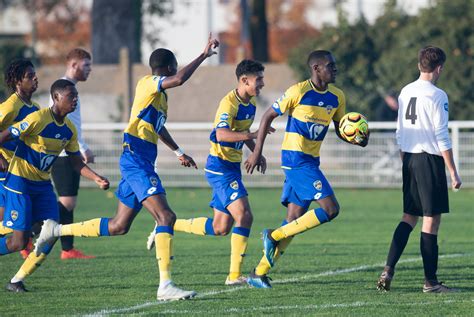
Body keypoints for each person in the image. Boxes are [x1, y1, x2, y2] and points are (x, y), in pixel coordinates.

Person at [35, 35, 220, 301]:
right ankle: (165, 285)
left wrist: (178, 151)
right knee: (166, 218)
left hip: (139, 160)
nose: (175, 72)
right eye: (174, 67)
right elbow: (179, 79)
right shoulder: (149, 83)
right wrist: (203, 55)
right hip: (135, 160)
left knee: (118, 226)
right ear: (168, 67)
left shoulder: (159, 98)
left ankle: (56, 230)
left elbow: (158, 126)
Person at [244, 50, 368, 288]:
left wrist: (357, 138)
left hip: (311, 161)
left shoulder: (337, 96)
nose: (335, 69)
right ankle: (273, 235)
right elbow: (267, 117)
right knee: (331, 209)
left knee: (293, 219)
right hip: (295, 159)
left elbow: (343, 128)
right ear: (316, 69)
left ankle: (258, 273)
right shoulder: (298, 91)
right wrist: (256, 151)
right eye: (330, 65)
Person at [146, 59, 271, 285]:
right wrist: (253, 137)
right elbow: (222, 134)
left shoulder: (250, 104)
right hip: (220, 167)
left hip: (232, 167)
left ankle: (165, 225)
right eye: (258, 79)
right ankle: (234, 276)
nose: (262, 83)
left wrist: (256, 152)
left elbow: (241, 132)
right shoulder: (229, 104)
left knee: (220, 227)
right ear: (244, 80)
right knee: (244, 215)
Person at [0, 79, 109, 293]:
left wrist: (96, 178)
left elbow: (76, 162)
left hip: (42, 185)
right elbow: (3, 136)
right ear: (57, 98)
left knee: (52, 231)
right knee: (18, 242)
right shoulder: (37, 119)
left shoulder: (69, 129)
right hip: (19, 182)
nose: (76, 100)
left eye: (77, 96)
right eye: (71, 96)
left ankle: (17, 280)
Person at [376, 46, 461, 293]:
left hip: (410, 158)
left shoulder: (405, 91)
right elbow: (440, 135)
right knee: (431, 220)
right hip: (429, 160)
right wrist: (453, 171)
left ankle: (388, 269)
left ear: (418, 66)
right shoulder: (437, 95)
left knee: (409, 216)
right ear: (440, 68)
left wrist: (405, 159)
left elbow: (400, 130)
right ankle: (431, 282)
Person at [49, 48, 96, 260]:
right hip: (63, 154)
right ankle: (28, 230)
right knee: (66, 202)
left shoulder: (70, 89)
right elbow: (63, 123)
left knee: (69, 202)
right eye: (86, 65)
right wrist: (82, 147)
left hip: (69, 152)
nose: (89, 70)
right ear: (74, 65)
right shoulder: (62, 90)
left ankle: (67, 250)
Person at [0, 59, 41, 259]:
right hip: (6, 176)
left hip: (23, 175)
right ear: (17, 81)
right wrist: (1, 158)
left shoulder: (35, 108)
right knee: (14, 232)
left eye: (35, 75)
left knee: (25, 231)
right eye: (29, 76)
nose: (35, 79)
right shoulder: (10, 106)